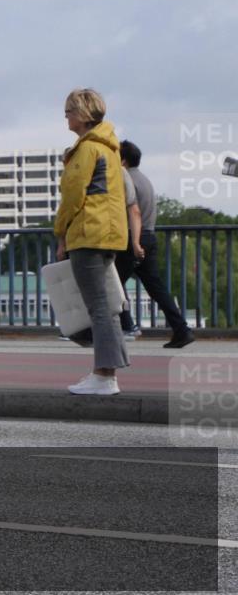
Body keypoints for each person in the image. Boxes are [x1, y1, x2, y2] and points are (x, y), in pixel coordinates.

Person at [54, 89, 129, 395]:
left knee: (98, 307)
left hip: (88, 232)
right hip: (109, 233)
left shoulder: (86, 150)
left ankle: (103, 375)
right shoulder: (109, 149)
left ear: (83, 115)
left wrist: (60, 232)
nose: (67, 117)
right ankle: (107, 372)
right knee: (107, 306)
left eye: (70, 111)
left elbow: (73, 197)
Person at [115, 140, 195, 349]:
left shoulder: (126, 181)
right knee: (156, 288)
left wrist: (133, 241)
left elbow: (133, 212)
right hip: (149, 237)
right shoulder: (145, 180)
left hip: (133, 239)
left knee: (112, 283)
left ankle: (126, 326)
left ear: (122, 160)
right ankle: (182, 330)